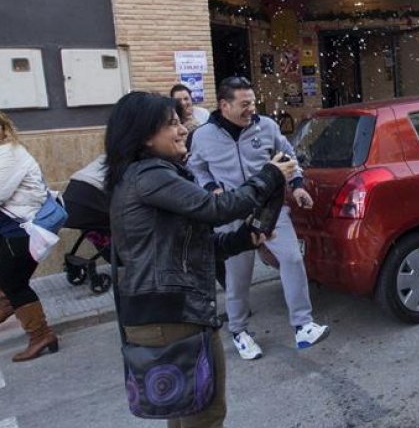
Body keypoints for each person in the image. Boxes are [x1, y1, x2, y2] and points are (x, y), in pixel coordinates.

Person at [105, 91, 293, 427]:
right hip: (172, 317)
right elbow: (216, 208)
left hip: (163, 314)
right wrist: (269, 176)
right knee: (204, 415)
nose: (182, 130)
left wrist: (242, 239)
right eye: (172, 124)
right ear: (145, 135)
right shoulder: (150, 175)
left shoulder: (142, 176)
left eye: (181, 121)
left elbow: (192, 247)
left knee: (184, 414)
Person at [188, 77, 329, 361]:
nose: (251, 108)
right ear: (224, 105)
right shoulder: (203, 136)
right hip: (231, 214)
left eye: (252, 102)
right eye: (244, 104)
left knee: (291, 259)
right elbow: (197, 168)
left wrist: (298, 185)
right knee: (238, 278)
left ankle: (303, 325)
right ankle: (240, 331)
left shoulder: (266, 126)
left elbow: (288, 156)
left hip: (270, 210)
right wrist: (209, 188)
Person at [0, 109, 60, 361]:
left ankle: (41, 336)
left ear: (4, 129)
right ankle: (6, 302)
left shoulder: (7, 153)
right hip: (11, 226)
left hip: (24, 228)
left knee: (15, 282)